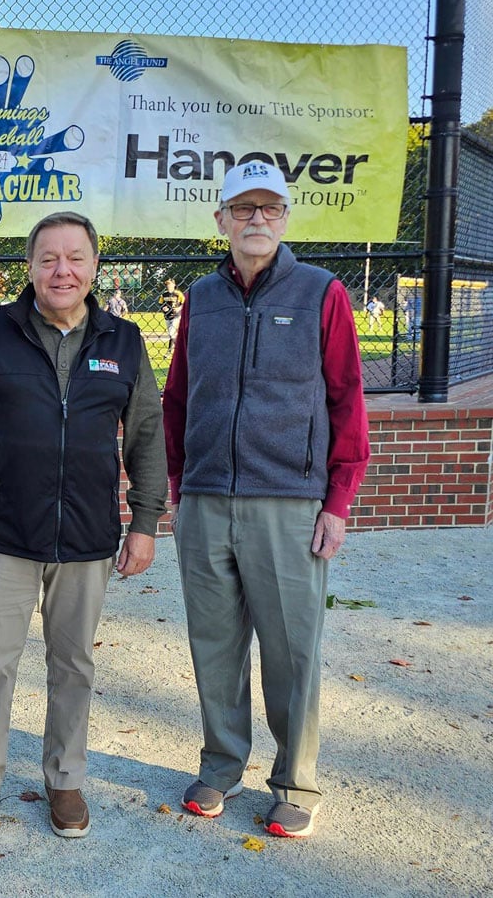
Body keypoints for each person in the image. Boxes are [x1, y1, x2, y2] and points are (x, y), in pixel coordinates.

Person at [163, 161, 370, 839]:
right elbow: (179, 393)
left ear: (286, 218)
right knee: (215, 644)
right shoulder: (202, 297)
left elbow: (345, 398)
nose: (257, 220)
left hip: (290, 500)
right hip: (204, 499)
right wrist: (176, 480)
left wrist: (337, 501)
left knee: (292, 650)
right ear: (220, 220)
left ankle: (296, 781)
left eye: (270, 208)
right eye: (243, 208)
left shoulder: (322, 292)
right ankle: (221, 765)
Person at [0, 211, 167, 844]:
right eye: (48, 258)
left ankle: (64, 778)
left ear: (95, 267)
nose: (62, 270)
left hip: (88, 539)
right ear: (31, 267)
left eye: (75, 258)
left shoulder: (124, 341)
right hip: (3, 534)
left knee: (73, 665)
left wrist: (145, 521)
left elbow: (146, 437)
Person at [159, 277, 185, 353]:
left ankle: (169, 350)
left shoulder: (178, 294)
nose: (168, 286)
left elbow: (184, 303)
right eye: (167, 284)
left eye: (170, 284)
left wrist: (179, 308)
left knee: (171, 332)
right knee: (172, 334)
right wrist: (163, 308)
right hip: (167, 316)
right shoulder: (164, 294)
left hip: (176, 316)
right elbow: (160, 304)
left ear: (174, 285)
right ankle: (180, 348)